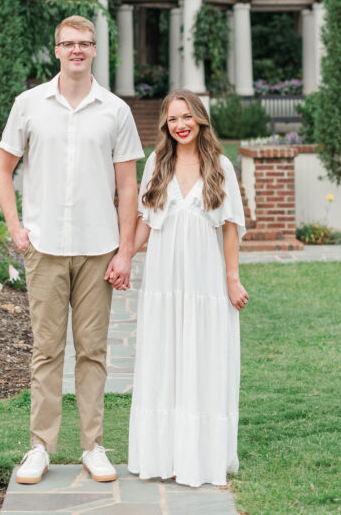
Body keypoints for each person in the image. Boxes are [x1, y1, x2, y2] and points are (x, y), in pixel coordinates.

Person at [0, 15, 144, 486]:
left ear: (96, 50)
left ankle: (93, 447)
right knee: (47, 351)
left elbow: (127, 184)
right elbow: (2, 170)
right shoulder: (29, 104)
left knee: (94, 352)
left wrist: (125, 252)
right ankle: (39, 446)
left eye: (86, 43)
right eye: (69, 44)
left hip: (99, 248)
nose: (77, 50)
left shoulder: (115, 110)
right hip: (46, 248)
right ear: (56, 49)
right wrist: (16, 227)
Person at [127, 90, 248, 488]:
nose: (180, 125)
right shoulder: (156, 164)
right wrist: (124, 255)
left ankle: (199, 456)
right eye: (173, 119)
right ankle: (163, 454)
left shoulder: (221, 166)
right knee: (165, 357)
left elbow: (229, 227)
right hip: (163, 279)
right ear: (165, 125)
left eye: (187, 117)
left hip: (203, 279)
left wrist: (232, 278)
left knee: (201, 357)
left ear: (200, 120)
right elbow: (145, 222)